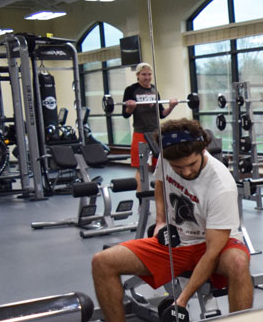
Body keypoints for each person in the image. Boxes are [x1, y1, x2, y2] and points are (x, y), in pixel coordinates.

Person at [91, 119, 252, 322]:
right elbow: (160, 183)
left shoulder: (221, 184)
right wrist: (160, 221)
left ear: (202, 150)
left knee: (237, 263)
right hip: (179, 243)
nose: (186, 172)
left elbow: (211, 253)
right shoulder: (167, 157)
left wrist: (182, 301)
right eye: (178, 167)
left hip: (216, 245)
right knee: (102, 262)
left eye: (191, 164)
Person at [122, 63, 177, 180]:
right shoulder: (131, 90)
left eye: (149, 74)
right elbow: (125, 114)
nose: (147, 77)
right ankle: (141, 196)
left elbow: (162, 114)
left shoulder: (154, 90)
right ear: (138, 75)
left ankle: (159, 195)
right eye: (143, 74)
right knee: (141, 167)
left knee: (159, 167)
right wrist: (131, 107)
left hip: (156, 134)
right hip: (140, 134)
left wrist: (172, 107)